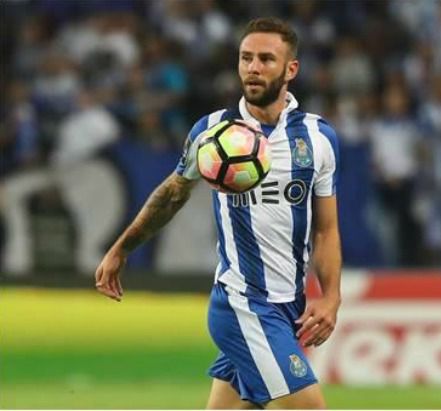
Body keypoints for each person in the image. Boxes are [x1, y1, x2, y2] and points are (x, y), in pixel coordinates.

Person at [94, 17, 341, 409]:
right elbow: (173, 194)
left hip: (287, 306)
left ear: (290, 69)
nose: (253, 68)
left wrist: (331, 297)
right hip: (241, 303)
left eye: (265, 59)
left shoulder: (318, 138)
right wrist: (122, 248)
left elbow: (326, 229)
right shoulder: (212, 132)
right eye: (246, 58)